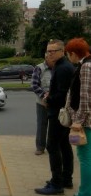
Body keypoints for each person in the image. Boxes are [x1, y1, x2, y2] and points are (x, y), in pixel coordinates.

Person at [35, 39, 75, 195]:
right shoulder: (61, 66)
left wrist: (48, 100)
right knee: (64, 145)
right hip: (60, 112)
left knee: (52, 146)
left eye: (53, 51)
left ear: (62, 51)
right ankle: (66, 179)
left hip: (58, 113)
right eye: (48, 51)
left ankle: (57, 183)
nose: (49, 54)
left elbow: (62, 94)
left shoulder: (63, 68)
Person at [65, 38, 91, 196]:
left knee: (84, 157)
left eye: (68, 54)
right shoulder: (86, 64)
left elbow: (86, 99)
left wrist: (77, 122)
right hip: (85, 120)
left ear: (73, 54)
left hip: (85, 122)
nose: (69, 57)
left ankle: (84, 192)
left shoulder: (86, 67)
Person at [31, 54, 54, 155]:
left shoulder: (57, 68)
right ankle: (40, 147)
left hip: (55, 102)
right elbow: (34, 85)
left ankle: (53, 147)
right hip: (41, 103)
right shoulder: (39, 68)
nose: (53, 60)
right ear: (46, 58)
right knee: (42, 125)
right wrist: (44, 96)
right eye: (51, 58)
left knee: (54, 125)